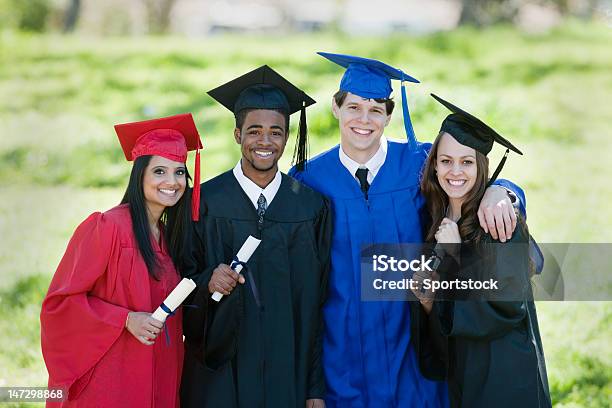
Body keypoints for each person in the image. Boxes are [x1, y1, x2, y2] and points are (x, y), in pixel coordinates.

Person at [289, 53, 529, 408]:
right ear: (336, 109)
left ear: (389, 114)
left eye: (375, 109)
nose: (364, 119)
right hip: (344, 359)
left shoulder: (419, 163)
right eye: (354, 107)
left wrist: (504, 190)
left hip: (413, 350)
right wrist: (313, 384)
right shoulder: (308, 180)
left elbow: (467, 174)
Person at [180, 65, 332, 408]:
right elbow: (181, 278)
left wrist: (314, 388)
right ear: (237, 135)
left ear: (287, 137)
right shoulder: (204, 202)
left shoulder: (310, 208)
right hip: (219, 372)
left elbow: (317, 303)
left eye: (276, 132)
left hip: (287, 371)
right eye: (254, 131)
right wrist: (208, 281)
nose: (265, 142)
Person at [40, 113, 202, 407]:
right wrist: (125, 319)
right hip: (113, 377)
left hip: (161, 373)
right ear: (139, 175)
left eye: (180, 172)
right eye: (160, 172)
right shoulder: (107, 228)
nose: (172, 181)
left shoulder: (168, 237)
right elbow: (60, 305)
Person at [410, 94, 551, 408]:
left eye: (467, 162)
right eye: (446, 161)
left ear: (482, 166)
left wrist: (454, 257)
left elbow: (503, 307)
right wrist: (430, 301)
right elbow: (445, 314)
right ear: (434, 165)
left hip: (506, 375)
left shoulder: (498, 221)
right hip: (464, 374)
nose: (455, 171)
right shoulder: (437, 217)